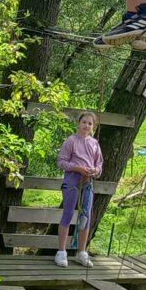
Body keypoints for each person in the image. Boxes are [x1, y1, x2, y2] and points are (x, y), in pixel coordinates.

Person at [55, 111, 102, 267]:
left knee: (85, 216)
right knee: (68, 214)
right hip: (72, 182)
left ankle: (81, 252)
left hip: (88, 183)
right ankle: (61, 252)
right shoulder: (71, 141)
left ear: (93, 126)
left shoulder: (94, 144)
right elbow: (61, 162)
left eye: (90, 123)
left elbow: (99, 165)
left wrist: (95, 171)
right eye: (84, 122)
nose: (86, 126)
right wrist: (77, 168)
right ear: (78, 123)